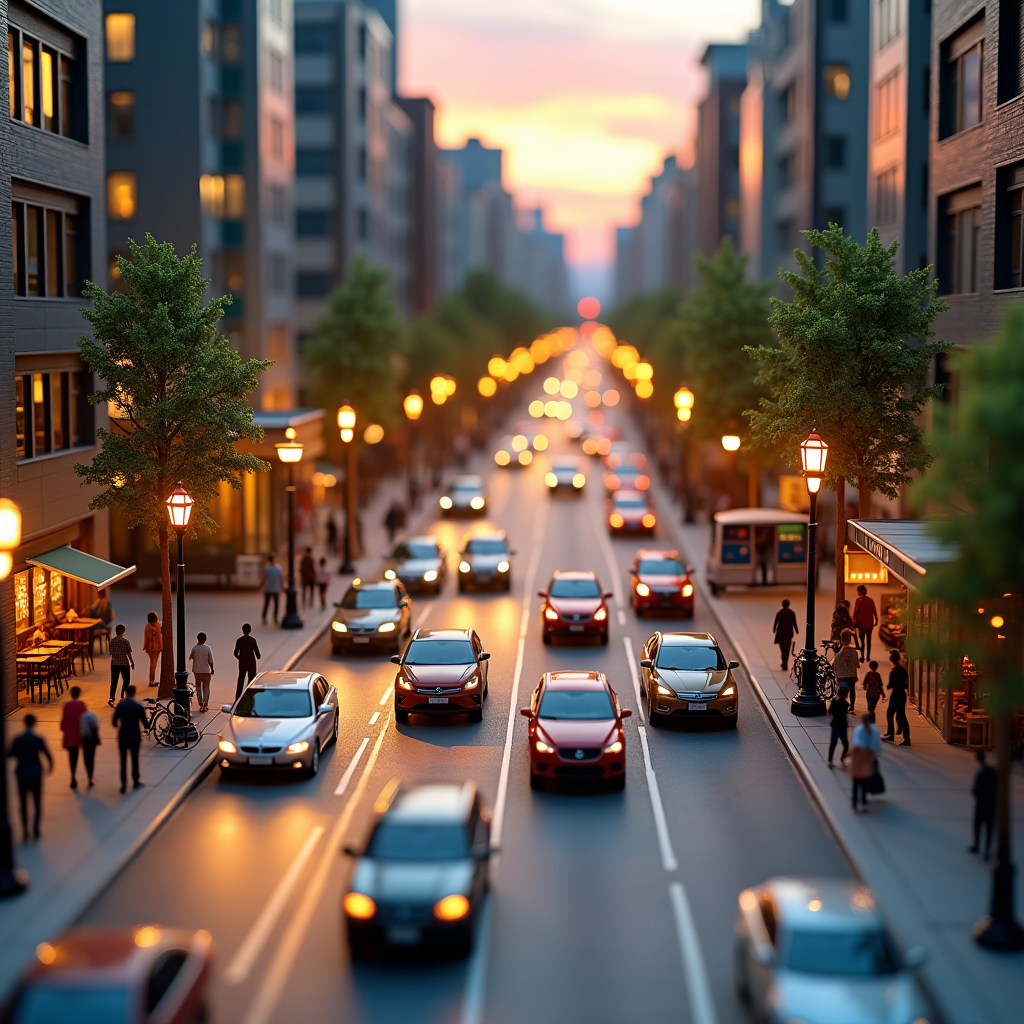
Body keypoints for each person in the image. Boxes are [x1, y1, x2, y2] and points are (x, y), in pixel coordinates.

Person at [8, 714, 52, 840]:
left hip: (21, 774)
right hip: (36, 774)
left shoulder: (17, 739)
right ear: (34, 723)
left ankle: (25, 830)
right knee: (37, 803)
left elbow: (10, 754)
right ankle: (36, 829)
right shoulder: (38, 739)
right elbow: (47, 754)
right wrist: (50, 767)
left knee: (23, 803)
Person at [112, 685, 149, 793]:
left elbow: (114, 722)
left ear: (126, 693)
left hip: (123, 735)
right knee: (134, 759)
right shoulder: (138, 707)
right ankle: (135, 780)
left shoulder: (121, 706)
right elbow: (145, 723)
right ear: (134, 693)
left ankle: (123, 784)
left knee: (123, 760)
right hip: (135, 735)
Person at [850, 712, 882, 812]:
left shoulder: (858, 730)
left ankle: (854, 803)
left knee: (856, 782)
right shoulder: (874, 730)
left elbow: (856, 745)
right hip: (868, 758)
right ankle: (863, 803)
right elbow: (878, 746)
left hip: (858, 759)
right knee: (865, 782)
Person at [969, 750, 997, 858]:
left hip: (981, 804)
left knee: (978, 826)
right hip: (991, 805)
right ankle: (987, 850)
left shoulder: (980, 773)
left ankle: (977, 846)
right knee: (989, 828)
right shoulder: (993, 771)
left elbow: (975, 790)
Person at [59, 686, 87, 789]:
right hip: (78, 734)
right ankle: (81, 776)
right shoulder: (82, 705)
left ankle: (73, 775)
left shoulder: (66, 705)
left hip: (69, 735)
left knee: (71, 757)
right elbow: (84, 719)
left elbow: (64, 720)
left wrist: (63, 728)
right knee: (77, 755)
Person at [883, 648, 911, 745]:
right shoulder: (903, 670)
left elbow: (890, 685)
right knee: (902, 715)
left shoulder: (893, 671)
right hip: (902, 694)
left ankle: (891, 734)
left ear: (891, 659)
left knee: (890, 714)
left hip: (895, 695)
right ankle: (906, 738)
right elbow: (906, 684)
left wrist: (886, 685)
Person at [832, 629, 860, 713]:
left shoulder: (839, 654)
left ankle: (842, 705)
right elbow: (857, 664)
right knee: (852, 690)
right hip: (852, 675)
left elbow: (835, 665)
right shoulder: (854, 652)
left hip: (842, 676)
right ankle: (852, 705)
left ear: (841, 639)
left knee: (842, 691)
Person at [107, 623, 135, 707]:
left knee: (114, 681)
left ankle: (112, 697)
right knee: (126, 680)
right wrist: (132, 662)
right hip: (124, 663)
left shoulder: (112, 641)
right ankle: (123, 695)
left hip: (114, 663)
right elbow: (129, 653)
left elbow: (110, 652)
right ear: (123, 632)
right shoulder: (126, 641)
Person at [233, 624, 261, 702]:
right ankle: (250, 697)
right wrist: (258, 656)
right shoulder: (252, 640)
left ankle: (238, 698)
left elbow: (235, 653)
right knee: (251, 680)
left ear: (242, 630)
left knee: (241, 679)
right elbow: (257, 654)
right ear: (250, 630)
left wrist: (240, 658)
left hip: (242, 663)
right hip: (251, 663)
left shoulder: (239, 640)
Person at [189, 632, 215, 713]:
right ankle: (205, 704)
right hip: (206, 671)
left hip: (197, 671)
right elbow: (210, 661)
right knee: (206, 688)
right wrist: (212, 669)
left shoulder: (194, 648)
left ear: (197, 639)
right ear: (205, 640)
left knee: (198, 688)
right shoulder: (207, 648)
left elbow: (191, 657)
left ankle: (200, 704)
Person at [853, 585, 879, 664]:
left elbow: (855, 613)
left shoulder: (858, 600)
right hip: (869, 624)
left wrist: (854, 622)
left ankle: (862, 656)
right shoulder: (870, 600)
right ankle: (868, 657)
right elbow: (874, 610)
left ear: (859, 592)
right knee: (868, 640)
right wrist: (876, 620)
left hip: (862, 624)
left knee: (862, 641)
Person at [827, 685, 851, 768]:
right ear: (846, 695)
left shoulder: (834, 702)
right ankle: (842, 759)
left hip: (835, 725)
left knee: (833, 743)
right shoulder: (845, 704)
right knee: (846, 745)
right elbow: (845, 714)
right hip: (842, 726)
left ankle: (830, 760)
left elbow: (830, 712)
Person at [772, 599, 798, 671]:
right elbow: (794, 622)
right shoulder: (791, 613)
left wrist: (774, 629)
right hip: (788, 633)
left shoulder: (780, 613)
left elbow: (776, 622)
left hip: (780, 633)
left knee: (782, 648)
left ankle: (784, 661)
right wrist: (796, 630)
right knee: (787, 647)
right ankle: (785, 662)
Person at [80, 705, 101, 788]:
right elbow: (96, 727)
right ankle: (90, 776)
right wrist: (97, 738)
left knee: (86, 758)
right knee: (92, 757)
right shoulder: (92, 716)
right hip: (92, 739)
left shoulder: (81, 718)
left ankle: (88, 773)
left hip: (85, 739)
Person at [261, 554, 283, 625]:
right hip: (275, 588)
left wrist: (261, 586)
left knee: (267, 604)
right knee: (275, 604)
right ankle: (274, 618)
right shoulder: (278, 568)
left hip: (268, 588)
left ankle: (265, 617)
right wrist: (282, 586)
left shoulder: (267, 568)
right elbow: (281, 578)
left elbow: (264, 578)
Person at [143, 611, 162, 686]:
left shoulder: (148, 626)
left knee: (153, 664)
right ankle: (151, 681)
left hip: (151, 648)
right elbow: (152, 638)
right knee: (153, 664)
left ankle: (152, 680)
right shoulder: (153, 627)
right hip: (154, 648)